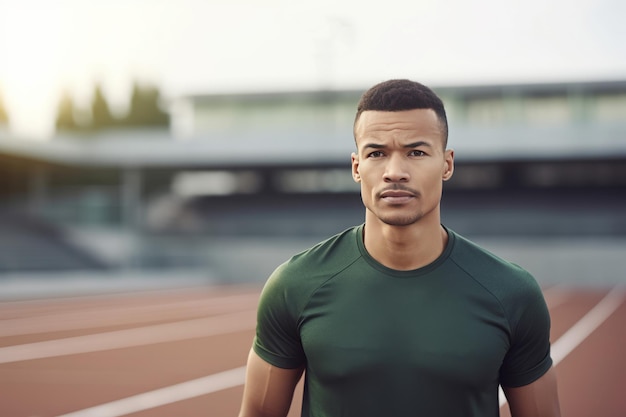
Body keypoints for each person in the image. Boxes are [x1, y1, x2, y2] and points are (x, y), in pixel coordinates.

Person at [238, 79, 560, 417]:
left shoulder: (511, 293)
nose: (395, 172)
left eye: (416, 152)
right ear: (356, 167)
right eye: (377, 153)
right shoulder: (295, 285)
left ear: (447, 164)